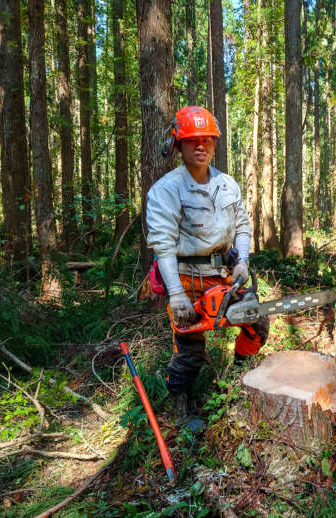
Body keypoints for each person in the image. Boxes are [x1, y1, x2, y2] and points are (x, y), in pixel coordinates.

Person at [146, 106, 269, 430]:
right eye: (192, 141)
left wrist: (242, 260)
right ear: (178, 145)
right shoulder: (165, 190)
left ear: (215, 143)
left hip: (222, 276)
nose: (201, 147)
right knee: (190, 352)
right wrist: (176, 295)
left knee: (257, 322)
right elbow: (163, 246)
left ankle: (239, 378)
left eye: (207, 140)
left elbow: (242, 226)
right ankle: (181, 407)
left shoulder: (228, 185)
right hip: (185, 278)